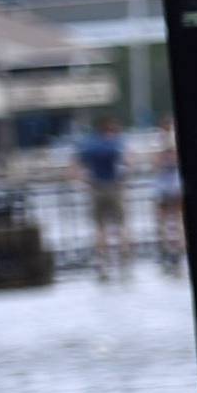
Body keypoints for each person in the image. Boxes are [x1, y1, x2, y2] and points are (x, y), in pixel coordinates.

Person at [73, 115, 128, 278]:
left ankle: (102, 263)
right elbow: (127, 162)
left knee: (100, 228)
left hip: (96, 187)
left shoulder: (90, 144)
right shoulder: (114, 143)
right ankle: (124, 261)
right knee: (121, 225)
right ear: (109, 128)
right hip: (114, 186)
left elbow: (77, 165)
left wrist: (84, 181)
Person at [150, 122, 185, 273]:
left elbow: (155, 164)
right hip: (175, 184)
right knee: (178, 219)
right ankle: (178, 250)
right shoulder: (176, 140)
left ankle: (166, 249)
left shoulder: (157, 142)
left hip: (163, 185)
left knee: (163, 220)